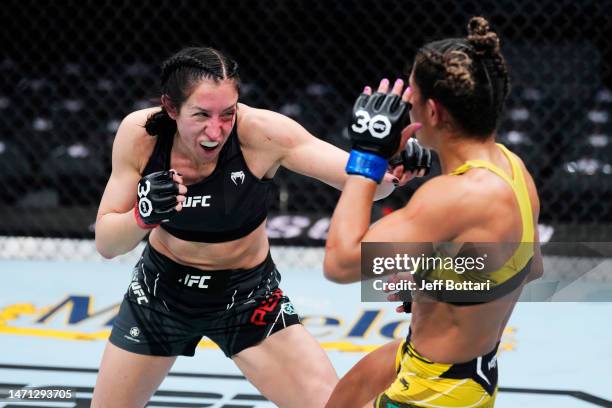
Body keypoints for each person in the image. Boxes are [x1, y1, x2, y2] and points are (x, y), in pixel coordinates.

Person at [91, 46, 413, 408]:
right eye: (201, 115)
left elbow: (369, 184)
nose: (216, 130)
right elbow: (107, 242)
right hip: (160, 295)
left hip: (248, 300)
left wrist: (388, 158)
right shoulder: (141, 134)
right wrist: (142, 217)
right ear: (170, 108)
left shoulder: (263, 133)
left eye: (227, 113)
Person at [322, 17, 543, 408]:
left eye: (413, 94)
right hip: (467, 370)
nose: (406, 104)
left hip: (433, 395)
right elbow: (529, 266)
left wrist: (367, 159)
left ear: (434, 112)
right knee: (348, 392)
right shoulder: (513, 168)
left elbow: (339, 263)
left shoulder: (452, 196)